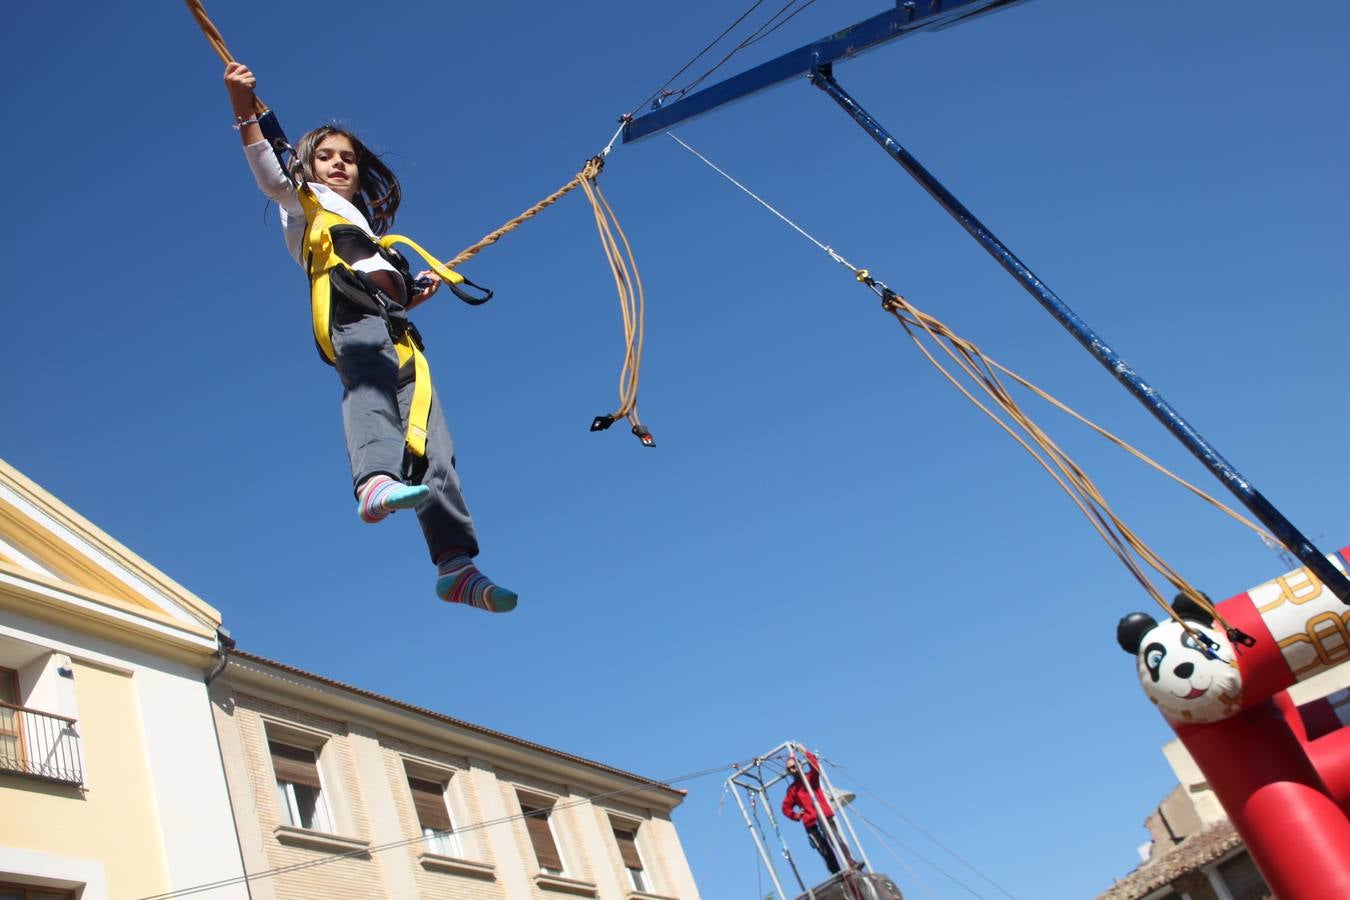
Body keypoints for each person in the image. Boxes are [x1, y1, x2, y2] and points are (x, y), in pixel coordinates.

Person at [223, 61, 515, 613]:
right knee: (369, 384)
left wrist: (410, 291)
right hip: (348, 312)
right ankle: (374, 480)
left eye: (348, 158)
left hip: (394, 325)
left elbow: (389, 286)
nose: (339, 166)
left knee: (434, 443)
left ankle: (455, 563)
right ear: (307, 167)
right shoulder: (304, 204)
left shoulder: (368, 232)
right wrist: (243, 107)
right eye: (327, 156)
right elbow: (268, 170)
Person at [782, 749, 857, 875]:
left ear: (800, 765)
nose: (792, 770)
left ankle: (849, 861)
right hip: (811, 823)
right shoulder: (792, 790)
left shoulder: (811, 778)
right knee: (824, 849)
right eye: (789, 769)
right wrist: (796, 815)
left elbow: (814, 765)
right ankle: (836, 873)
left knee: (835, 839)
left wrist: (804, 752)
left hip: (824, 815)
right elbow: (785, 808)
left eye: (794, 767)